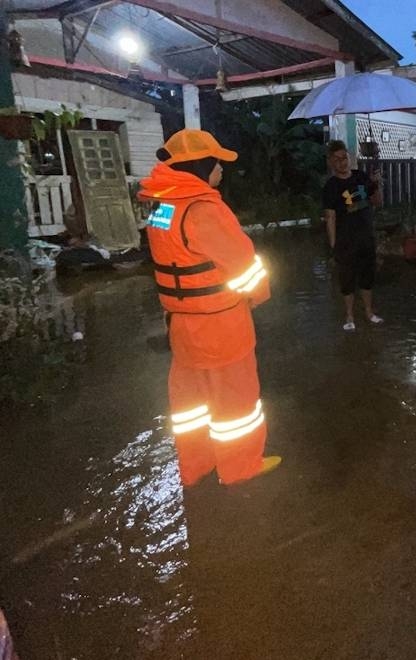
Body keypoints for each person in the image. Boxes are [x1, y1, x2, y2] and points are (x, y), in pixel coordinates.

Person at [138, 129, 280, 487]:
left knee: (191, 405)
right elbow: (244, 265)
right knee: (235, 402)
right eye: (216, 162)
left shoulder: (161, 208)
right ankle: (240, 467)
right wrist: (257, 295)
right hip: (222, 326)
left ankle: (195, 466)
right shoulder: (204, 210)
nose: (221, 169)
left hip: (181, 325)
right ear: (199, 165)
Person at [322, 140, 383, 331]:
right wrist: (333, 246)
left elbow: (377, 202)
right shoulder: (331, 186)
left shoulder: (361, 177)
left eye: (344, 157)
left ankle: (368, 312)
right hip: (345, 241)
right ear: (331, 162)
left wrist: (376, 184)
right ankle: (349, 316)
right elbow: (330, 216)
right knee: (347, 281)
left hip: (366, 238)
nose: (342, 162)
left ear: (349, 157)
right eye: (337, 159)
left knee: (367, 278)